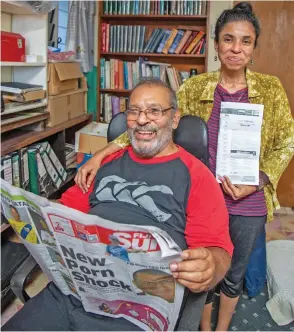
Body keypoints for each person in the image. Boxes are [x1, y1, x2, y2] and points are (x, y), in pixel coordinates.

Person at [75, 3, 294, 331]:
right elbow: (153, 125)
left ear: (254, 47)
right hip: (201, 195)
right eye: (228, 40)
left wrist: (259, 179)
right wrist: (100, 154)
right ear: (217, 45)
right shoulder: (194, 88)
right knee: (202, 268)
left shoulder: (271, 89)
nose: (236, 48)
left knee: (234, 271)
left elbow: (287, 141)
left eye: (245, 41)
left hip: (249, 198)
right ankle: (203, 327)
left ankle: (221, 329)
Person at [3, 78, 233, 331]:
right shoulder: (102, 164)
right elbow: (63, 212)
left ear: (175, 119)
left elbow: (218, 250)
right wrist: (31, 211)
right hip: (72, 291)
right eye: (134, 111)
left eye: (155, 111)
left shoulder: (197, 176)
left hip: (138, 306)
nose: (142, 120)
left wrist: (210, 266)